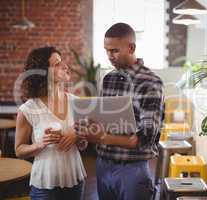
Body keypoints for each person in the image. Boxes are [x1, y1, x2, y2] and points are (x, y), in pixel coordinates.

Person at [75, 23, 164, 200]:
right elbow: (101, 120)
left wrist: (102, 137)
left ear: (131, 48)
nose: (109, 56)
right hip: (103, 166)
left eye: (114, 50)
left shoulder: (151, 82)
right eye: (107, 50)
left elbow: (146, 138)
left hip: (133, 169)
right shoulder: (108, 79)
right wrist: (85, 129)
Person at [15, 46, 86, 200]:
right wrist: (39, 145)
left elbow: (83, 145)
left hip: (75, 180)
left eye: (61, 62)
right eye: (56, 64)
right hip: (44, 186)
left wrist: (77, 136)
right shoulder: (28, 109)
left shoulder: (76, 102)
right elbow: (19, 150)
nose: (65, 66)